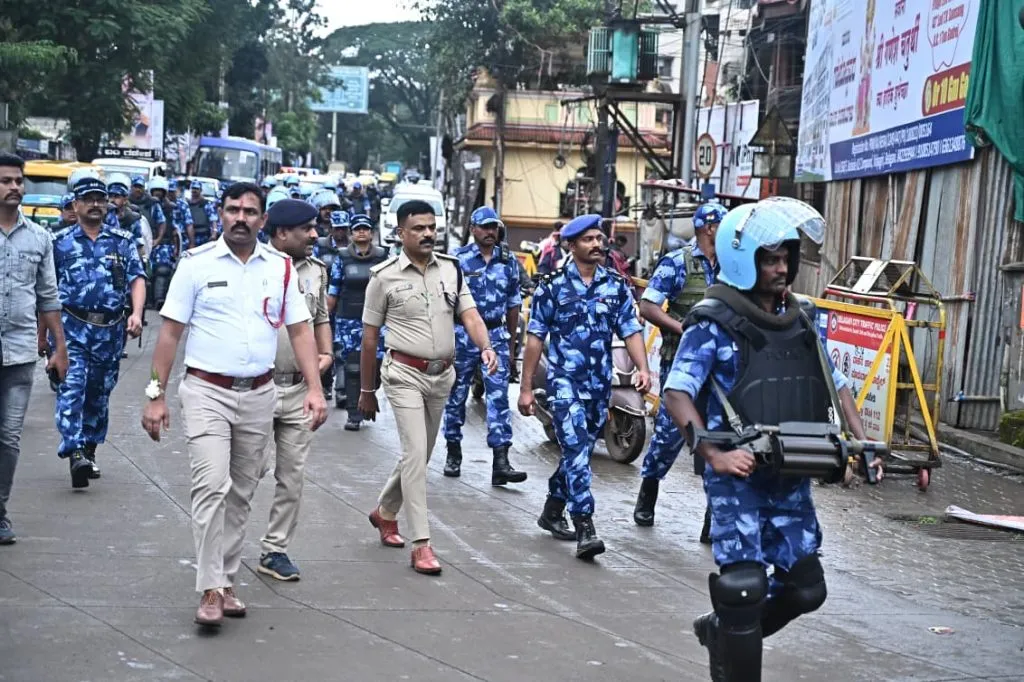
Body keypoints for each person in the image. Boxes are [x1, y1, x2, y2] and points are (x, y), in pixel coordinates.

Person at [661, 198, 884, 681]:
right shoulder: (712, 322)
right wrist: (713, 455)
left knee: (807, 589)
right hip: (738, 476)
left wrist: (862, 445)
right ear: (745, 261)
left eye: (786, 257)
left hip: (792, 472)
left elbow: (836, 383)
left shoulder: (801, 318)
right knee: (744, 588)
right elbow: (676, 392)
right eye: (770, 258)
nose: (782, 268)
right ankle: (733, 630)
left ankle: (724, 630)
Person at [141, 182, 328, 627]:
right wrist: (155, 395)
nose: (240, 218)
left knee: (242, 492)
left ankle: (226, 581)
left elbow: (301, 332)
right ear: (220, 214)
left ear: (264, 221)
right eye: (232, 210)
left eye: (249, 211)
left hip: (260, 394)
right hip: (206, 392)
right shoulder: (195, 265)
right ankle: (208, 587)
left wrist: (316, 390)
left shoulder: (281, 269)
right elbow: (169, 334)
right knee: (210, 487)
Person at [359, 199, 497, 576]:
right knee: (416, 453)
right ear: (401, 233)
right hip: (403, 373)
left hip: (443, 376)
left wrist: (485, 347)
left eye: (432, 227)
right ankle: (422, 544)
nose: (427, 234)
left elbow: (469, 314)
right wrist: (366, 391)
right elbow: (369, 339)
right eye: (418, 228)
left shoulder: (452, 271)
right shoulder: (383, 277)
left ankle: (385, 512)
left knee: (419, 455)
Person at [518, 214, 651, 560]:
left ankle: (551, 509)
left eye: (599, 238)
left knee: (576, 451)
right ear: (571, 245)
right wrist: (526, 388)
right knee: (578, 448)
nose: (597, 244)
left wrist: (643, 368)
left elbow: (631, 331)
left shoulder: (614, 285)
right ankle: (585, 524)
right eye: (588, 239)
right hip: (565, 385)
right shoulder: (553, 286)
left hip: (599, 385)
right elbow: (534, 340)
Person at [633, 201, 725, 531]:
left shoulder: (733, 265)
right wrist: (681, 327)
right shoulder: (678, 262)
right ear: (708, 227)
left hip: (721, 367)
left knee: (719, 434)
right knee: (671, 434)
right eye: (722, 225)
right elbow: (648, 306)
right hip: (683, 362)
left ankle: (713, 518)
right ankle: (649, 491)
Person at [256, 199, 334, 582]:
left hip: (299, 388)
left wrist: (326, 355)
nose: (315, 235)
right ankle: (222, 546)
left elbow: (320, 319)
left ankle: (275, 549)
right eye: (308, 229)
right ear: (282, 232)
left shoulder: (317, 271)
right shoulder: (254, 267)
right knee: (246, 472)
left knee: (292, 476)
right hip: (255, 387)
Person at [53, 176, 146, 488]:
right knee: (72, 387)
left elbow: (137, 278)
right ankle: (74, 450)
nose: (95, 204)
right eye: (88, 199)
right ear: (75, 205)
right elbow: (46, 291)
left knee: (98, 393)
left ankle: (89, 449)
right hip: (71, 328)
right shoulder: (60, 243)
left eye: (99, 198)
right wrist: (46, 338)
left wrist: (136, 313)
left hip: (109, 330)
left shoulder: (122, 241)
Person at [0, 152, 68, 544]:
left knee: (8, 438)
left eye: (18, 181)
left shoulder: (40, 238)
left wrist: (59, 348)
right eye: (6, 181)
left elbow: (49, 297)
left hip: (21, 352)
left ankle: (0, 511)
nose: (15, 187)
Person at [441, 206, 527, 485]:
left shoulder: (508, 261)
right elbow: (445, 303)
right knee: (456, 394)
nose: (491, 232)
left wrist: (512, 348)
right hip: (462, 336)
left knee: (499, 398)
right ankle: (453, 451)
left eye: (494, 227)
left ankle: (501, 461)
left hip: (497, 335)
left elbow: (514, 304)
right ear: (472, 229)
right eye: (485, 227)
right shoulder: (457, 260)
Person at [326, 213, 388, 427]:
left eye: (365, 228)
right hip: (348, 322)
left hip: (378, 323)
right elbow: (332, 292)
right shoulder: (341, 259)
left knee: (376, 367)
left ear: (371, 233)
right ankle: (354, 414)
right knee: (352, 367)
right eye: (357, 229)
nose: (361, 232)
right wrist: (324, 322)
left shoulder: (384, 258)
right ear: (352, 234)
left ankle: (367, 396)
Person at [186, 180, 219, 248]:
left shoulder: (206, 204)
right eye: (193, 188)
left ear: (200, 190)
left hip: (203, 236)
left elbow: (213, 220)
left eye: (196, 189)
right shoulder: (186, 204)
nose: (194, 191)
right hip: (189, 237)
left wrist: (214, 234)